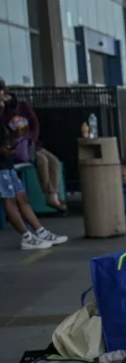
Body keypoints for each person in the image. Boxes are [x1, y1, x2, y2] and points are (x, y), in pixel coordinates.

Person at [0, 89, 67, 250]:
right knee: (9, 200)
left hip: (7, 163)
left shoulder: (5, 113)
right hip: (1, 166)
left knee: (21, 198)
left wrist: (17, 143)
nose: (3, 100)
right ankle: (26, 236)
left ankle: (40, 231)